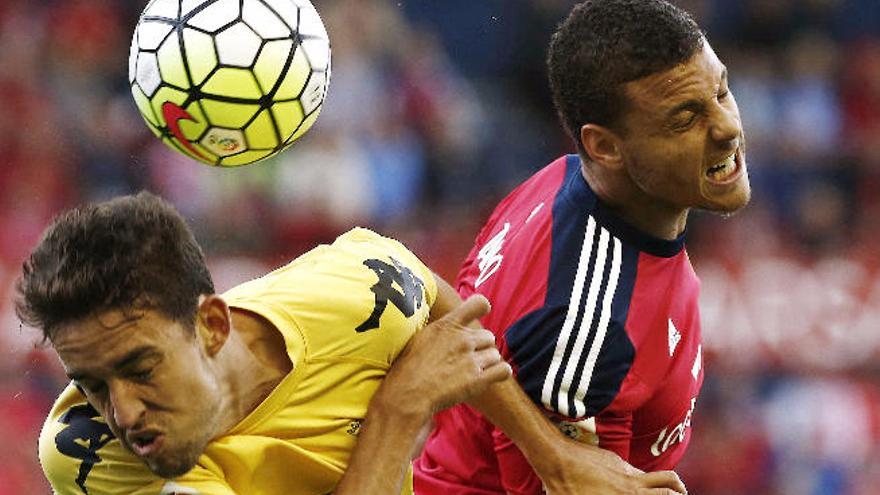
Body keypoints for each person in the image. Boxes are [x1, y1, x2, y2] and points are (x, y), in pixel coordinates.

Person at [21, 192, 686, 495]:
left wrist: (556, 459)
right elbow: (414, 389)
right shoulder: (88, 456)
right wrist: (398, 413)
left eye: (140, 368)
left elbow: (438, 313)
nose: (123, 411)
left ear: (213, 325)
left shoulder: (355, 292)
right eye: (92, 381)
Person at [415, 0, 751, 494]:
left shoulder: (561, 180)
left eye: (722, 91)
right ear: (605, 147)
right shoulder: (590, 326)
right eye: (685, 119)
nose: (727, 128)